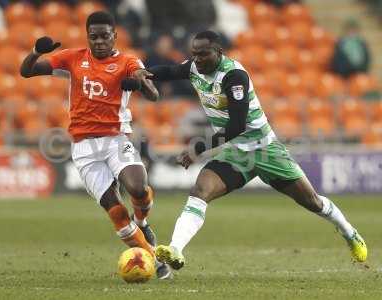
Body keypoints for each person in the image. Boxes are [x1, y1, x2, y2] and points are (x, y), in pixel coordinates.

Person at [136, 30, 367, 270]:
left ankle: (349, 232)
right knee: (200, 190)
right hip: (235, 153)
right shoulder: (195, 67)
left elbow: (237, 125)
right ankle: (175, 250)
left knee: (313, 203)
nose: (197, 60)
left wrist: (199, 148)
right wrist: (139, 76)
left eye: (203, 54)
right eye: (194, 54)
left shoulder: (234, 75)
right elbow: (171, 71)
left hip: (265, 150)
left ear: (218, 53)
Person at [20, 11, 171, 279]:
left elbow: (153, 94)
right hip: (83, 148)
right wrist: (35, 51)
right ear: (87, 37)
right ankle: (154, 259)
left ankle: (143, 222)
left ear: (115, 36)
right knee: (117, 216)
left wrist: (138, 83)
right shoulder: (73, 58)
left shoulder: (127, 60)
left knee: (138, 188)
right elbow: (27, 71)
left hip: (116, 139)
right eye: (94, 36)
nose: (100, 41)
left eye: (105, 36)